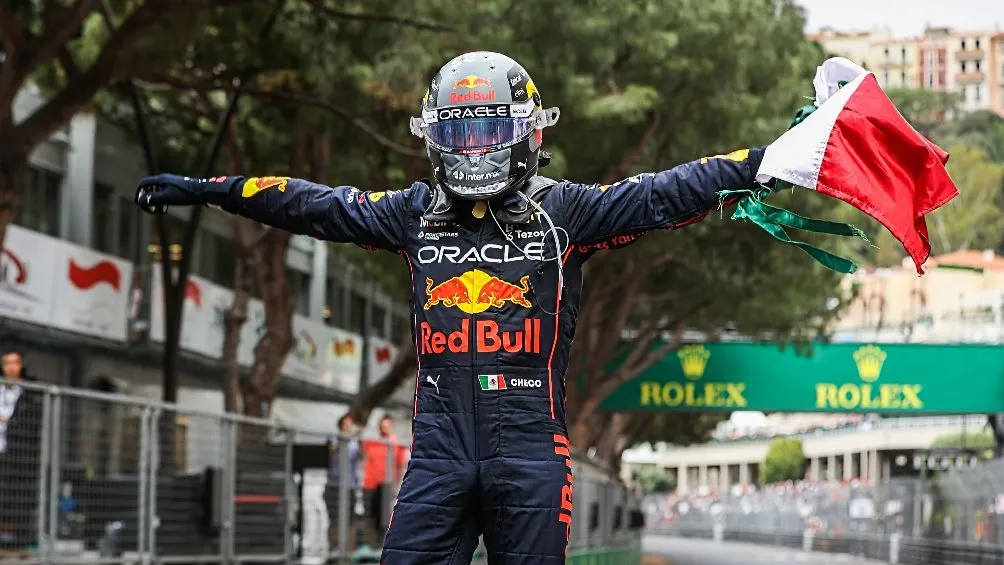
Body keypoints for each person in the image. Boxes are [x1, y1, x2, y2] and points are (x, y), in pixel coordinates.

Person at [133, 51, 775, 564]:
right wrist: (210, 189)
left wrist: (767, 162)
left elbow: (669, 191)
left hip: (531, 454)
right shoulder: (413, 213)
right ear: (433, 135)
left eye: (490, 130)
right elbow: (311, 203)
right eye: (459, 132)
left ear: (530, 130)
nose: (474, 149)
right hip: (439, 453)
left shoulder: (567, 213)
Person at [0, 346, 42, 550]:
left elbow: (31, 423)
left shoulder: (29, 394)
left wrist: (9, 422)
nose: (11, 368)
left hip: (14, 453)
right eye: (7, 363)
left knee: (14, 496)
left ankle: (18, 539)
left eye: (15, 363)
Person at [360, 415, 407, 548]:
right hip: (370, 484)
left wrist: (396, 485)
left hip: (386, 485)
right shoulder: (372, 442)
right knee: (369, 515)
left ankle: (382, 546)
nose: (384, 429)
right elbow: (363, 456)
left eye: (387, 426)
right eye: (382, 426)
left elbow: (400, 466)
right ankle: (370, 545)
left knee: (385, 517)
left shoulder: (396, 444)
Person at [325, 413, 363, 552]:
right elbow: (332, 450)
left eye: (350, 424)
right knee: (334, 519)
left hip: (350, 486)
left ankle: (349, 550)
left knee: (351, 520)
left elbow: (362, 458)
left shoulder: (355, 442)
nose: (349, 427)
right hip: (334, 485)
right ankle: (333, 550)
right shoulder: (333, 438)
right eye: (346, 424)